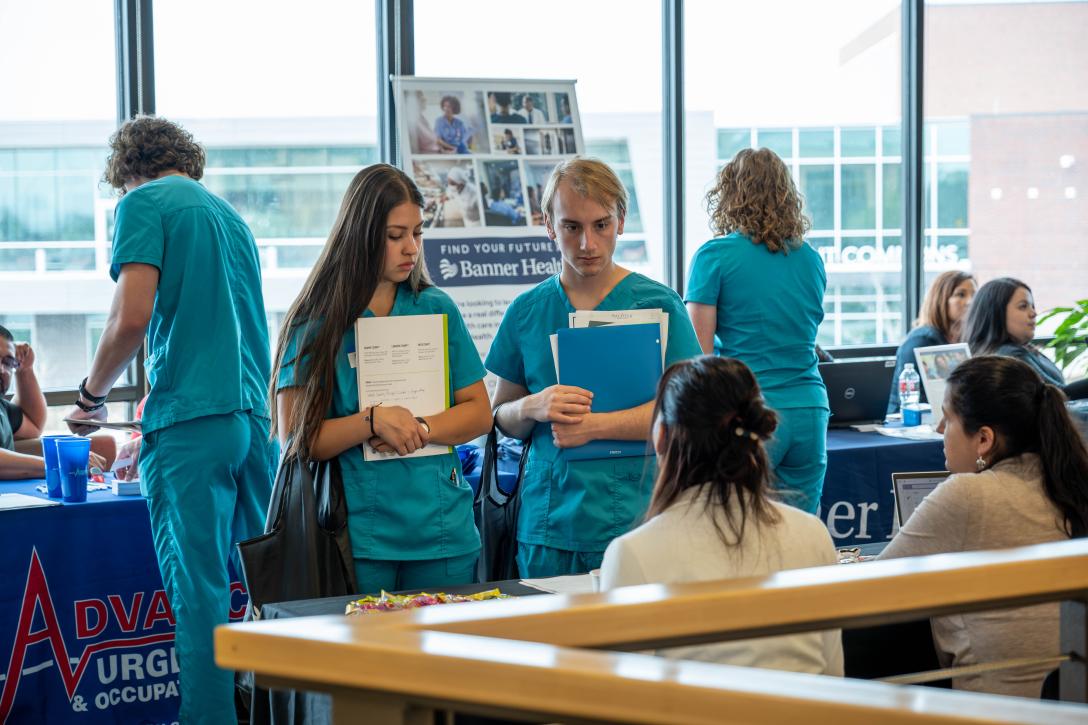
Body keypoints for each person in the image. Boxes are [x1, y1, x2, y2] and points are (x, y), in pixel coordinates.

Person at [65, 116, 276, 723]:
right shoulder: (230, 219)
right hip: (250, 422)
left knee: (199, 591)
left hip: (192, 426)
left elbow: (130, 319)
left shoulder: (143, 203)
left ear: (127, 170)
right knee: (264, 581)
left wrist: (90, 396)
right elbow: (206, 327)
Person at [272, 163, 491, 593]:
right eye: (395, 236)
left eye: (417, 233)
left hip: (444, 533)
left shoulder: (435, 307)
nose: (411, 248)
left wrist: (421, 429)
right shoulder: (314, 321)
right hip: (358, 539)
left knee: (448, 659)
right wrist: (372, 422)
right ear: (360, 234)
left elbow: (479, 413)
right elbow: (296, 438)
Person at [486, 157, 702, 578]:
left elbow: (689, 414)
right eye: (571, 227)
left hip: (641, 519)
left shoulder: (658, 305)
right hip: (550, 525)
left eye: (600, 225)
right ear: (549, 225)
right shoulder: (528, 312)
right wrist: (533, 407)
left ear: (621, 221)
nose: (587, 244)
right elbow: (500, 418)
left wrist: (596, 426)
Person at [600, 356, 843, 675]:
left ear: (661, 437)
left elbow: (622, 697)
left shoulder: (632, 553)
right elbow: (834, 674)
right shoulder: (812, 533)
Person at [879, 355, 1088, 697]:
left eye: (947, 419)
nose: (938, 430)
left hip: (993, 709)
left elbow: (874, 586)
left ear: (984, 440)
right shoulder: (1071, 482)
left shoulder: (968, 493)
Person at [685, 148, 828, 513]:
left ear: (729, 194)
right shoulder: (811, 259)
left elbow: (697, 356)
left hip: (750, 413)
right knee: (800, 537)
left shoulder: (714, 256)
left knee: (739, 536)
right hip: (810, 408)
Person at [0, 326, 115, 468]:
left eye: (8, 362)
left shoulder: (2, 410)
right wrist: (61, 464)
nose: (1, 370)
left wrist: (25, 369)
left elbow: (34, 426)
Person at [963, 277, 1078, 392]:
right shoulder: (1009, 355)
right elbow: (1057, 393)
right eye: (1023, 306)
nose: (1033, 313)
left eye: (1032, 306)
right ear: (997, 313)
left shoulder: (1019, 350)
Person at [887, 271, 976, 414]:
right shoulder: (921, 340)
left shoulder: (965, 340)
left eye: (974, 295)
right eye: (961, 294)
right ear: (941, 299)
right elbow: (916, 400)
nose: (970, 301)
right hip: (909, 423)